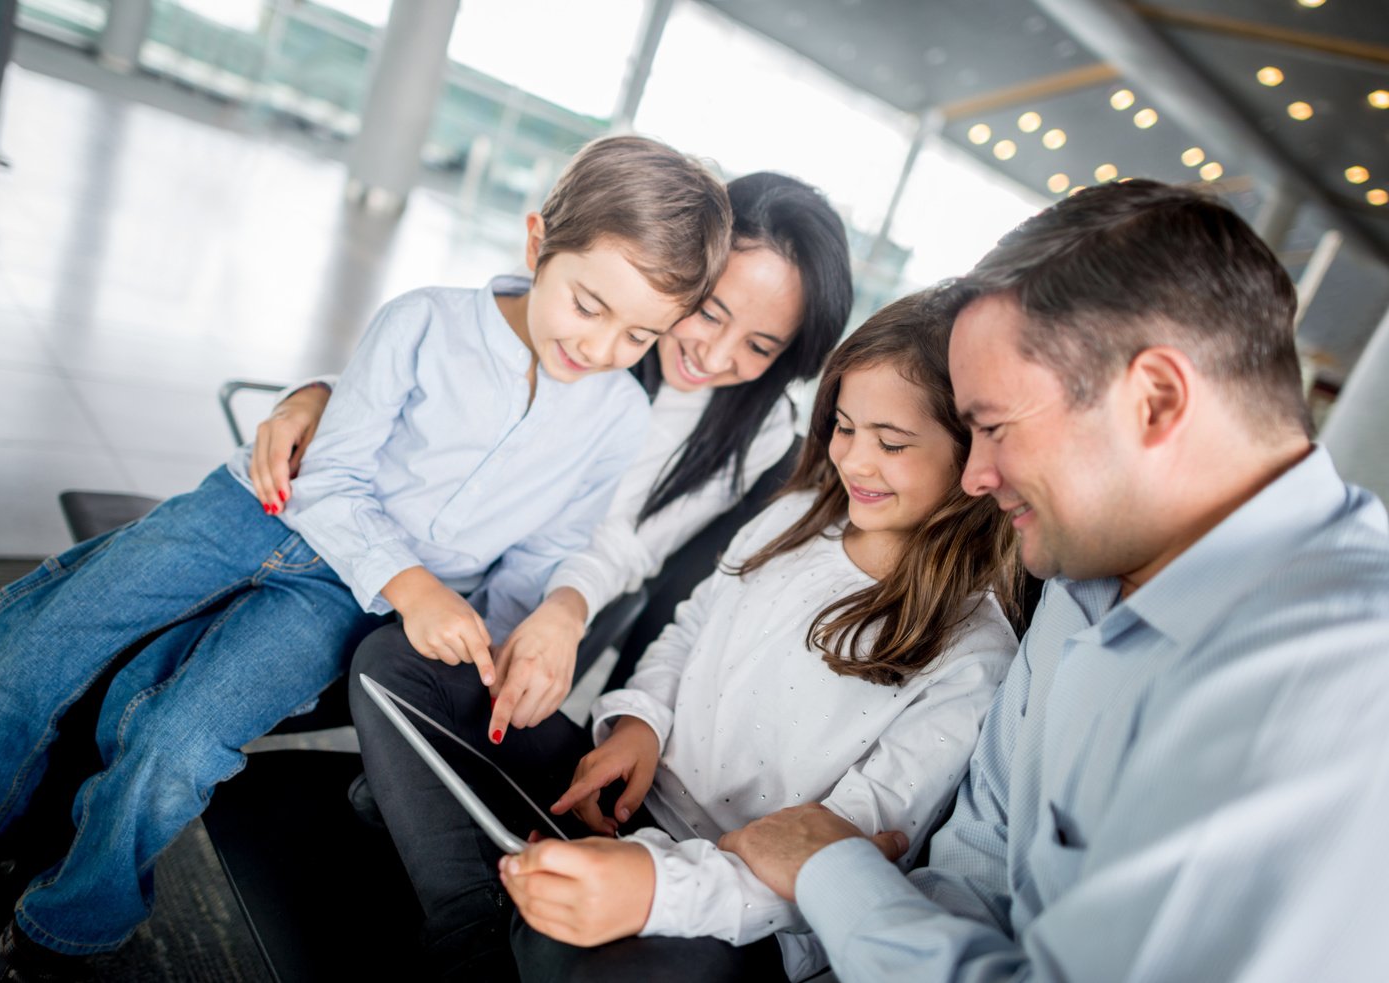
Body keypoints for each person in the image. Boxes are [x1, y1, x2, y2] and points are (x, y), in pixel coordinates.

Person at [0, 135, 733, 980]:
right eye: (589, 306)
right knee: (31, 648)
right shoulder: (422, 321)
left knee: (178, 740)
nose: (601, 349)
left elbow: (548, 548)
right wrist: (415, 585)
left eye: (640, 335)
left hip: (345, 600)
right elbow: (330, 477)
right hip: (254, 512)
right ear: (537, 245)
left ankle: (64, 930)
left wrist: (497, 647)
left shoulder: (618, 420)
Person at [720, 179, 1389, 981]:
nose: (974, 477)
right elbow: (975, 876)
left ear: (1156, 398)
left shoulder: (1339, 677)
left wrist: (833, 871)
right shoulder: (1079, 587)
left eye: (994, 427)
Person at [350, 294, 1023, 981]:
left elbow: (842, 856)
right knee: (398, 666)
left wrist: (652, 886)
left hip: (743, 907)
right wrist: (637, 726)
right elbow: (689, 629)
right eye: (844, 427)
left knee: (583, 958)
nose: (854, 460)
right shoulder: (794, 517)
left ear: (975, 457)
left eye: (892, 443)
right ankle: (473, 925)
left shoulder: (975, 654)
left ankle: (473, 872)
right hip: (628, 802)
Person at [253, 171, 854, 744]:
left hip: (514, 588)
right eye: (709, 313)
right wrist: (320, 396)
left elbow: (627, 544)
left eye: (759, 346)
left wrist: (567, 607)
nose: (714, 357)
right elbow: (444, 380)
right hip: (406, 542)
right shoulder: (584, 311)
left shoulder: (758, 429)